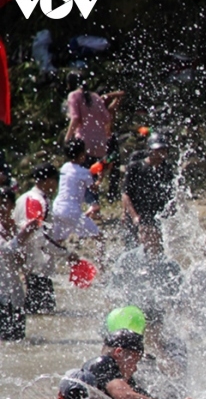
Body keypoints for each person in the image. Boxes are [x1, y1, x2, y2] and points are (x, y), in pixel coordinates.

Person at [14, 163, 66, 314]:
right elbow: (39, 236)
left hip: (28, 260)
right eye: (56, 180)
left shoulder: (25, 197)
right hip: (37, 262)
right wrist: (66, 253)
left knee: (35, 310)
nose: (57, 185)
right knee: (44, 310)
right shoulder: (37, 201)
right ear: (47, 181)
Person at [121, 133, 175, 254]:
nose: (161, 155)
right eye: (158, 151)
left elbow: (170, 194)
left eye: (164, 151)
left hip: (155, 215)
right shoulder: (135, 167)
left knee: (156, 250)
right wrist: (133, 216)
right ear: (150, 150)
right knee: (133, 250)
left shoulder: (166, 169)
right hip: (136, 213)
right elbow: (126, 194)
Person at [0, 189, 39, 341]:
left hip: (15, 291)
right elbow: (6, 248)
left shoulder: (17, 228)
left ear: (12, 206)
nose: (2, 208)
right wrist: (24, 234)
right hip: (1, 293)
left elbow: (24, 262)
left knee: (18, 340)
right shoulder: (21, 232)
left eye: (5, 204)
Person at [64, 74, 123, 161]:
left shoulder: (73, 95)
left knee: (82, 168)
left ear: (69, 84)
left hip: (83, 143)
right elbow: (107, 118)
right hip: (101, 143)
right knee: (96, 168)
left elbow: (75, 117)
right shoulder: (95, 96)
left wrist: (67, 138)